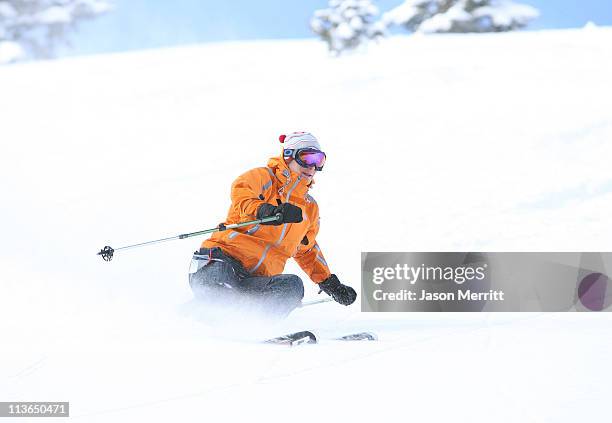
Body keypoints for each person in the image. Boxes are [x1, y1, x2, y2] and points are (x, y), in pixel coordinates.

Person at [188, 131, 357, 318]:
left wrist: (328, 283)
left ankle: (254, 329)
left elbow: (307, 250)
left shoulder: (309, 208)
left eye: (319, 160)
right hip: (222, 263)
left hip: (254, 282)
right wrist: (267, 210)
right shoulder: (264, 177)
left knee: (292, 286)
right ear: (289, 155)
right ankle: (194, 321)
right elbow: (242, 195)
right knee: (221, 298)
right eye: (307, 157)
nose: (313, 166)